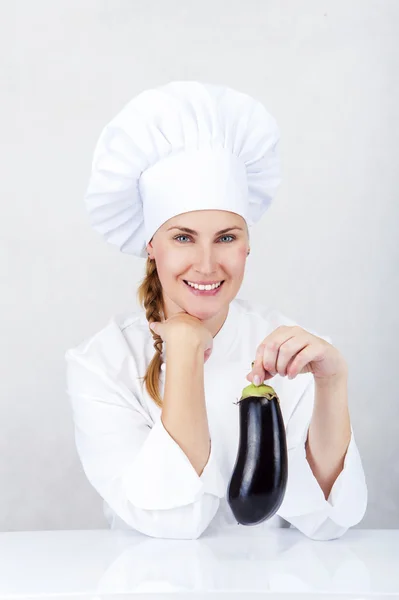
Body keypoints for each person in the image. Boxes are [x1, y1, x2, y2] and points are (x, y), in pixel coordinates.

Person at [65, 81, 368, 540]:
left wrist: (332, 382)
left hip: (273, 585)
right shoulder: (101, 364)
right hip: (147, 585)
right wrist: (184, 353)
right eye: (183, 237)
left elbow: (328, 519)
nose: (207, 264)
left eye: (226, 237)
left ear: (248, 245)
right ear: (152, 247)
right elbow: (170, 522)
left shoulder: (287, 345)